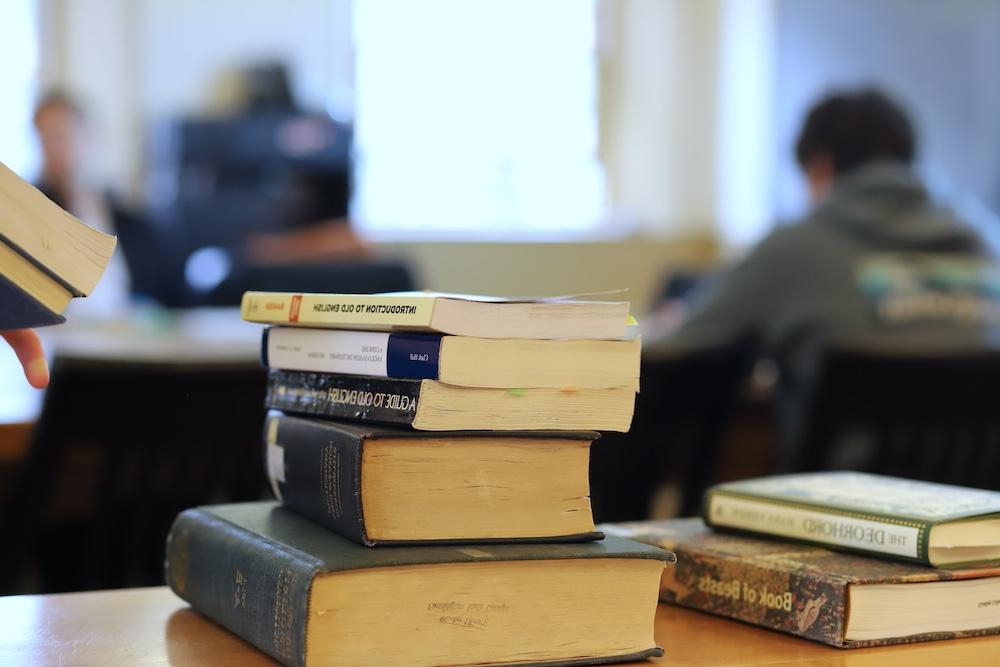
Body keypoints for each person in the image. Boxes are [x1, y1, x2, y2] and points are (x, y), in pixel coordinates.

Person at [647, 88, 1000, 461]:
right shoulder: (988, 244)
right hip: (977, 511)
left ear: (820, 167)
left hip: (837, 510)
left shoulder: (796, 248)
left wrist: (673, 321)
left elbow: (673, 352)